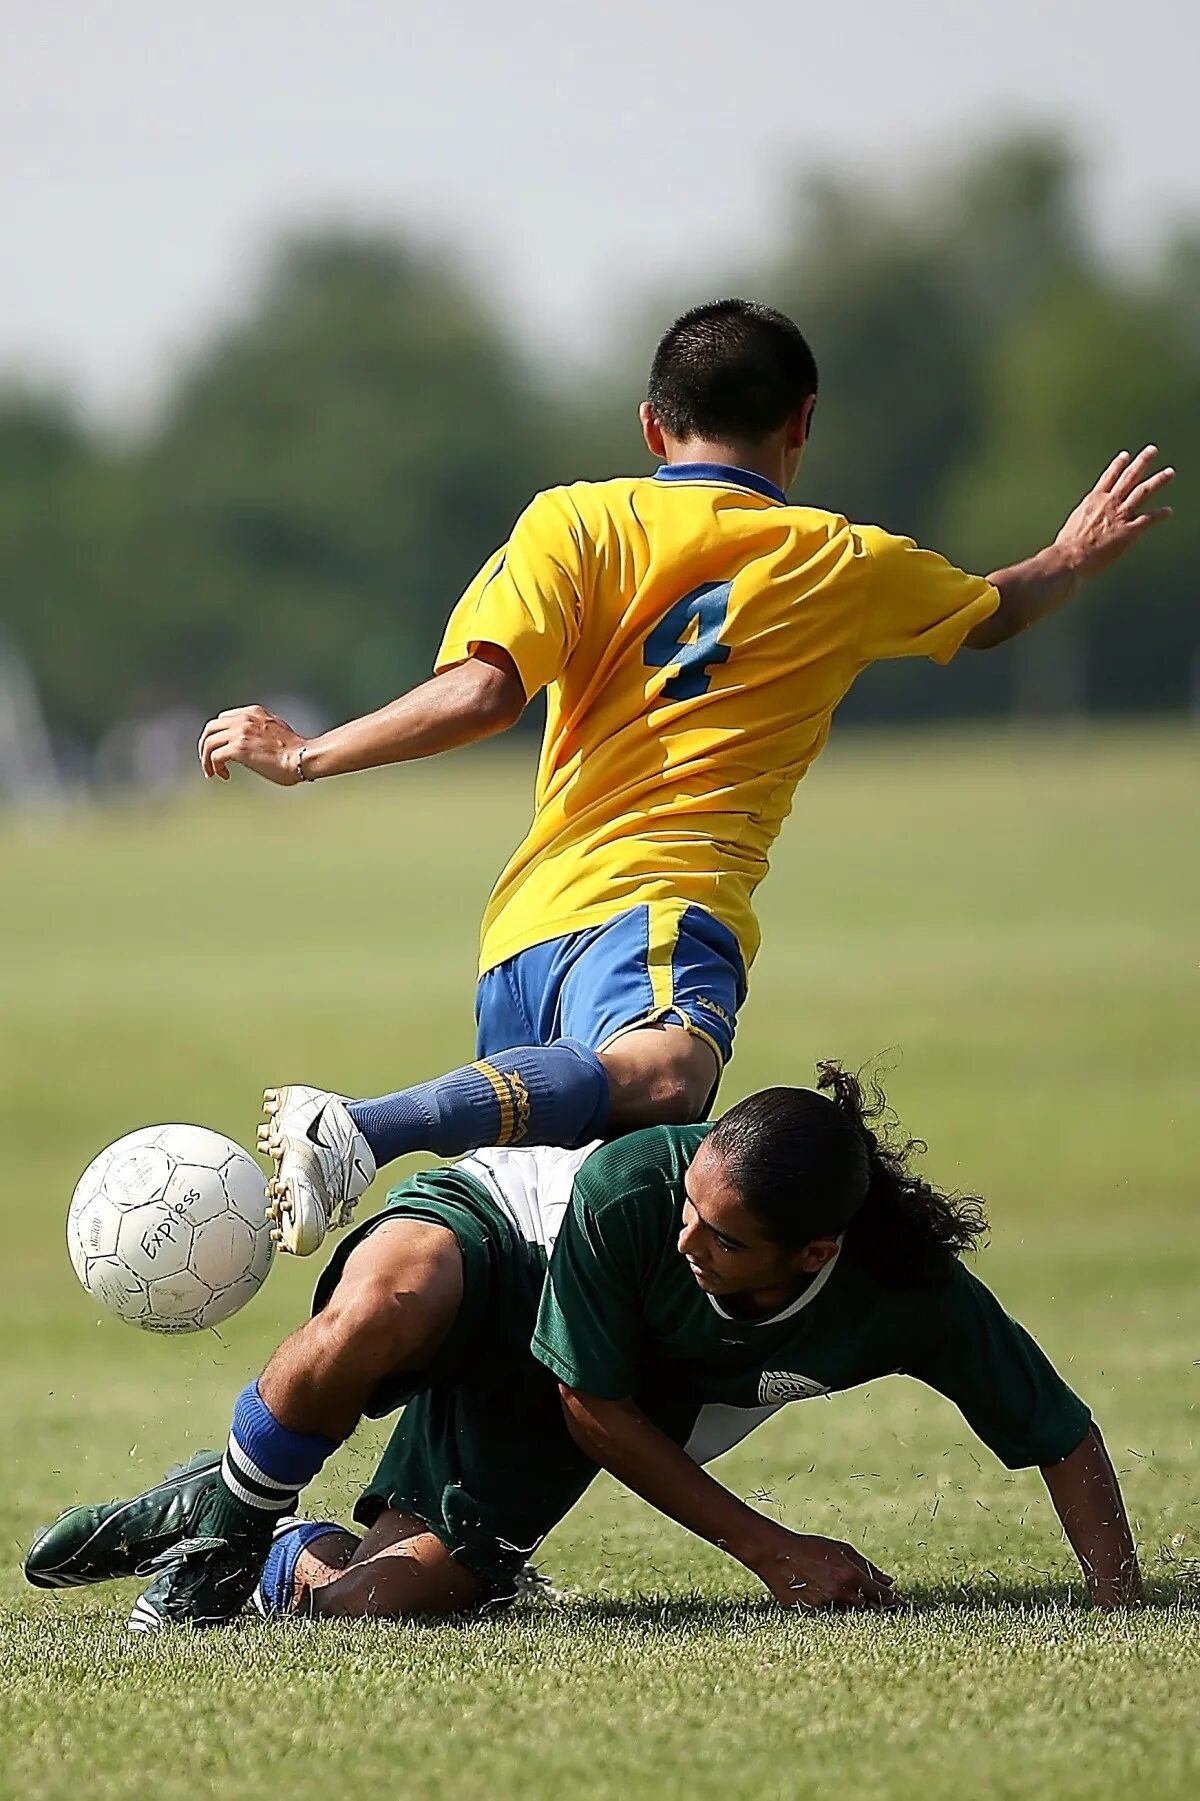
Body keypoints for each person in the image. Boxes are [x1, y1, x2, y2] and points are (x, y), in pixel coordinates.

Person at [195, 301, 1174, 1258]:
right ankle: (362, 1129)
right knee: (667, 1077)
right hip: (664, 905)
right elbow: (991, 611)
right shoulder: (842, 560)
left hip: (525, 932)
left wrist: (306, 754)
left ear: (653, 424)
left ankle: (281, 1421)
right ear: (803, 424)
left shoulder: (572, 520)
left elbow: (485, 694)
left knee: (555, 1266)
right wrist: (1072, 555)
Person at [26, 1067, 1142, 1626]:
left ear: (811, 1255)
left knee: (376, 1613)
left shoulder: (910, 1297)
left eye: (724, 1233)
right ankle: (220, 1529)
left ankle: (275, 1549)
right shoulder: (633, 1188)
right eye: (691, 1203)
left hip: (574, 1380)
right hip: (507, 1240)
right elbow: (595, 1414)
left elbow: (1058, 1428)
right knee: (378, 1310)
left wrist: (1115, 1596)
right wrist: (775, 1550)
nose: (687, 1233)